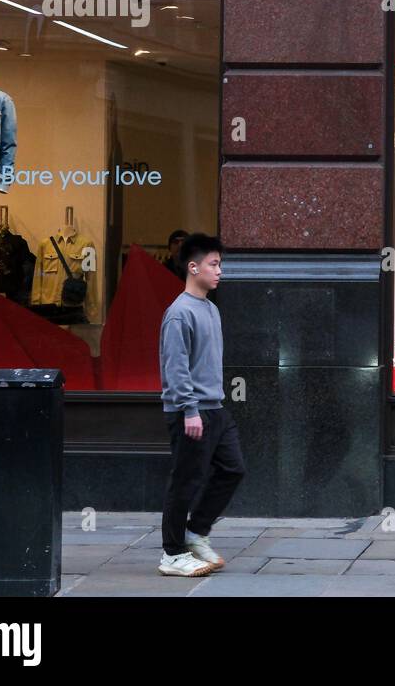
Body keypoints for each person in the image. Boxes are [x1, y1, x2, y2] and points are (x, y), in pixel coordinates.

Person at [157, 233, 245, 577]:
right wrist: (189, 410)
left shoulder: (210, 309)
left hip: (216, 409)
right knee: (185, 482)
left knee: (233, 468)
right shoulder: (178, 314)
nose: (219, 271)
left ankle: (196, 532)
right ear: (193, 268)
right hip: (189, 411)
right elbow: (175, 366)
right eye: (213, 264)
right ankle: (172, 553)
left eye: (220, 264)